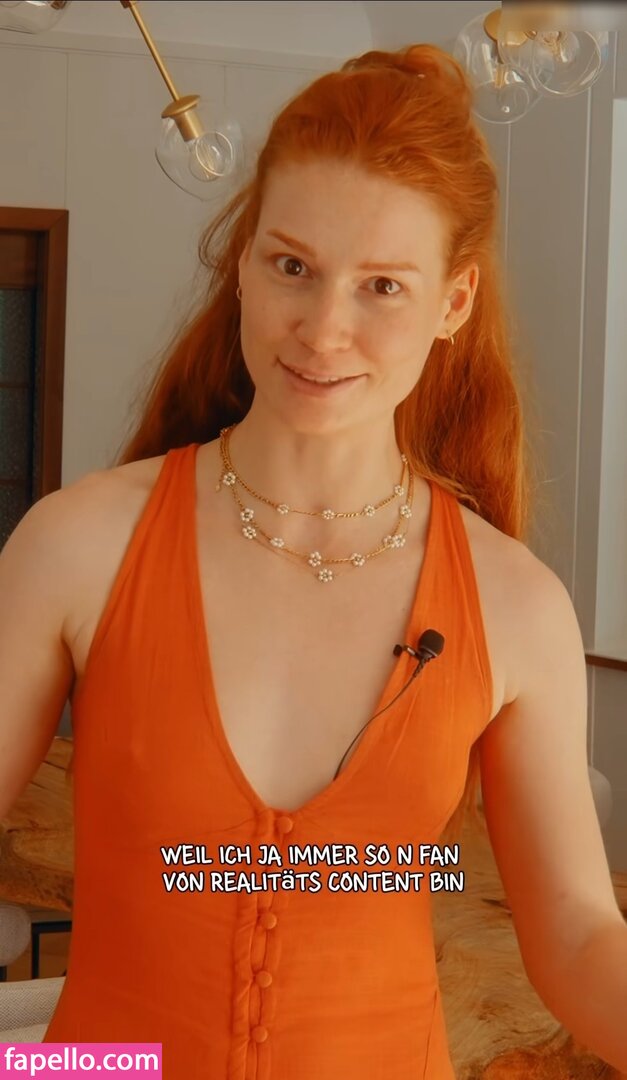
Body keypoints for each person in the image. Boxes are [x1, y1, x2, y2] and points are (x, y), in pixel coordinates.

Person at [1, 41, 626, 1080]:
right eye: (292, 266)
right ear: (243, 263)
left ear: (452, 305)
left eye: (382, 286)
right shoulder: (77, 545)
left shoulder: (516, 605)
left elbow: (574, 933)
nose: (324, 330)